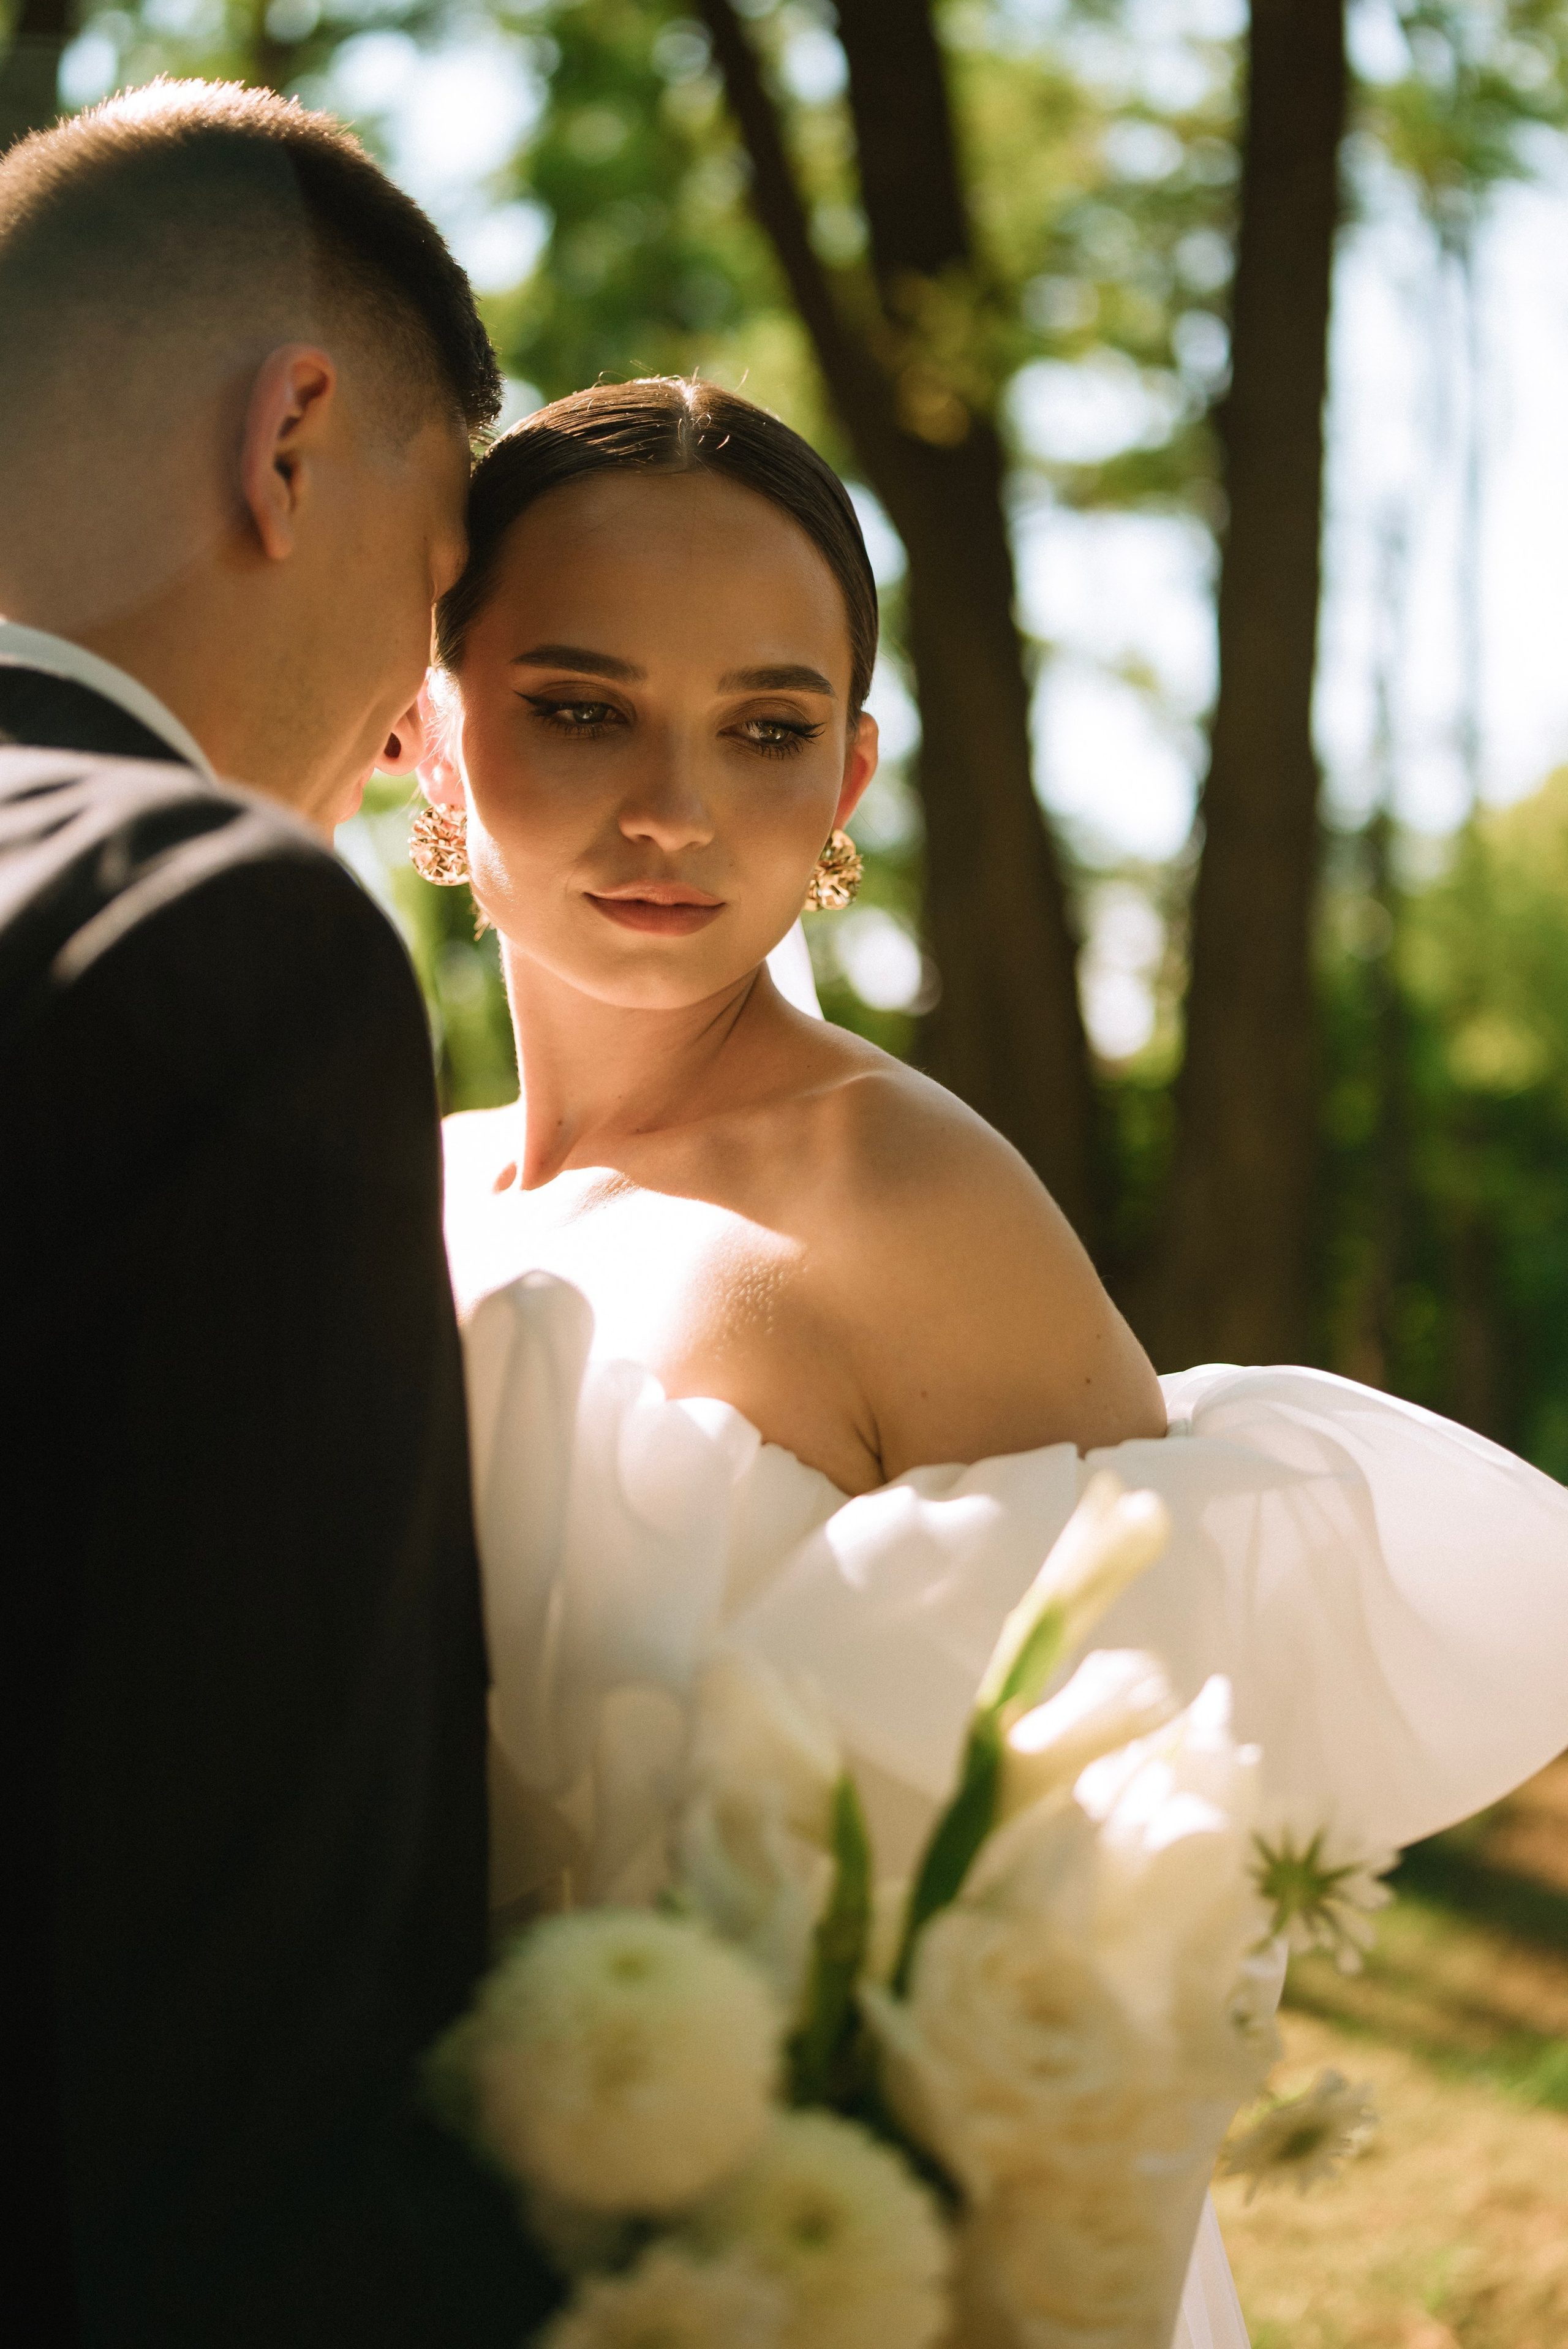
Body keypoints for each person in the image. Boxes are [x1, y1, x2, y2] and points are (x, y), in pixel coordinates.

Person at [428, 378, 1568, 2349]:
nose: (674, 808)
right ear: (427, 723)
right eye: (583, 704)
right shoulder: (409, 1186)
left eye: (767, 729)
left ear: (853, 773)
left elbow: (1106, 1932)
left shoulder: (910, 1204)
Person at [0, 83, 556, 2346]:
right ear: (295, 437)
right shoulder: (205, 936)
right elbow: (244, 2039)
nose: (431, 711)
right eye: (445, 588)